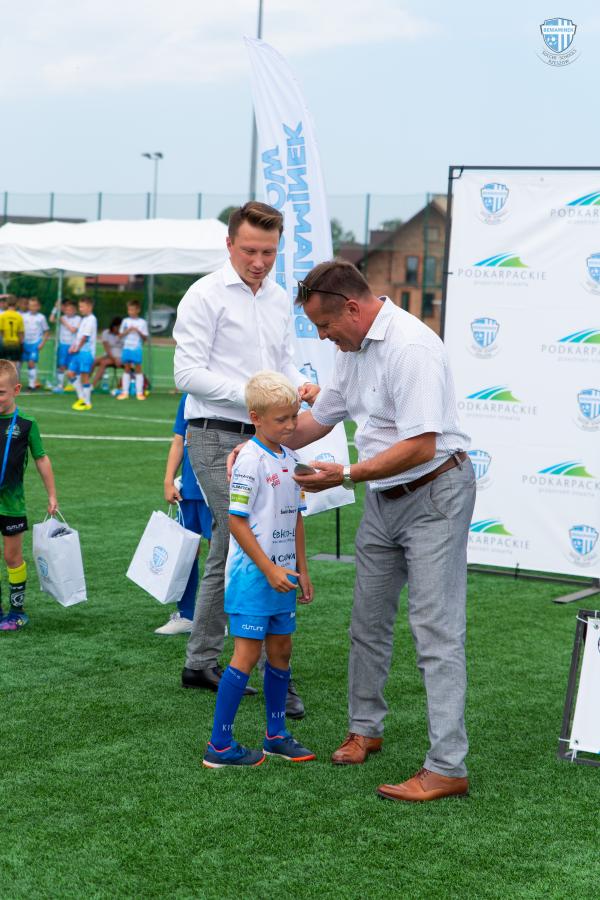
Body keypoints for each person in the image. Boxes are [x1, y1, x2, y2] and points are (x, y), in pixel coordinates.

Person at [286, 260, 475, 802]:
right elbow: (315, 422)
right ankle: (364, 729)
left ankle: (447, 767)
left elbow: (420, 445)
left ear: (352, 308)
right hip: (384, 497)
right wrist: (257, 444)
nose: (324, 337)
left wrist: (346, 473)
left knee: (436, 631)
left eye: (325, 326)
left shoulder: (412, 347)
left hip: (436, 492)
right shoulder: (351, 349)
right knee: (366, 621)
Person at [173, 201, 320, 717]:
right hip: (214, 435)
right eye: (250, 250)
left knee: (227, 545)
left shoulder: (278, 298)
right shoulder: (203, 294)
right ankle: (273, 670)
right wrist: (257, 397)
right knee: (253, 535)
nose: (259, 262)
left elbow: (282, 364)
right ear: (230, 244)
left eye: (269, 253)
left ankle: (200, 661)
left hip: (268, 437)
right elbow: (186, 374)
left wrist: (299, 385)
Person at [203, 371, 315, 769]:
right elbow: (236, 522)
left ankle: (276, 735)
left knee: (282, 651)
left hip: (283, 577)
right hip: (253, 577)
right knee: (246, 655)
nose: (291, 425)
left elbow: (296, 517)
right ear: (256, 418)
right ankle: (219, 745)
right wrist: (268, 569)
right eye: (281, 419)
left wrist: (302, 569)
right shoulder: (249, 459)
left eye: (294, 417)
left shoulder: (291, 459)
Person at [0, 360, 58, 632]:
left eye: (1, 392)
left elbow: (41, 458)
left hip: (12, 504)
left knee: (12, 557)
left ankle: (17, 611)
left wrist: (52, 495)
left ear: (16, 390)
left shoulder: (25, 424)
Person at [159, 392, 213, 635]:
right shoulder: (189, 397)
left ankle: (217, 617)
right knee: (186, 553)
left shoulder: (228, 395)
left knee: (221, 553)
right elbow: (178, 440)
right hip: (188, 490)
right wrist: (169, 480)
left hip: (216, 489)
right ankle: (186, 614)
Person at [66, 297, 98, 412]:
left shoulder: (92, 319)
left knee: (85, 376)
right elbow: (79, 336)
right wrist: (73, 346)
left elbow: (85, 337)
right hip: (78, 351)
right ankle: (81, 398)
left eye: (82, 307)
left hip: (86, 352)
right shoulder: (84, 319)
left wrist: (77, 348)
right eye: (80, 307)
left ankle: (87, 402)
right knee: (70, 373)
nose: (80, 309)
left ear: (90, 307)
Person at [117, 301, 148, 400]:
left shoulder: (142, 322)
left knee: (138, 369)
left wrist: (138, 331)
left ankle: (139, 393)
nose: (130, 312)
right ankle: (125, 392)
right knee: (127, 368)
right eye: (129, 310)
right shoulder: (125, 321)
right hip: (126, 347)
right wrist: (128, 331)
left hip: (136, 348)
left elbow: (145, 338)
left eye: (133, 310)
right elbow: (120, 335)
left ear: (138, 310)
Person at [50, 299, 80, 393]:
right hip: (63, 344)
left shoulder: (78, 319)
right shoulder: (62, 317)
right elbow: (51, 319)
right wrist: (55, 308)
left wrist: (64, 322)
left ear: (75, 310)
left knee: (71, 365)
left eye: (71, 310)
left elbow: (73, 330)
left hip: (72, 346)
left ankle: (71, 385)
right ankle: (60, 385)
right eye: (67, 310)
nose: (68, 311)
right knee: (62, 365)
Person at [21, 297, 49, 391]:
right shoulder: (23, 316)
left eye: (35, 305)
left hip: (35, 343)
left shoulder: (41, 317)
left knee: (31, 363)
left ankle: (31, 385)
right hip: (25, 343)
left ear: (38, 307)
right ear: (28, 306)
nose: (33, 307)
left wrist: (42, 343)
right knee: (20, 363)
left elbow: (46, 331)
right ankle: (15, 383)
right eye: (31, 305)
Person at [92, 317, 123, 390]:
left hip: (120, 357)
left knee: (104, 363)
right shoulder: (106, 333)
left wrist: (118, 359)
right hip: (108, 355)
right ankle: (85, 383)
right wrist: (114, 358)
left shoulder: (124, 334)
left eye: (119, 327)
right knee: (93, 361)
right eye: (117, 327)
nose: (118, 329)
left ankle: (92, 385)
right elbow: (107, 348)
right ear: (113, 326)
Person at [0, 296, 25, 372]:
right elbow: (21, 332)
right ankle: (12, 378)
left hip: (5, 343)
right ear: (16, 304)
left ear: (6, 304)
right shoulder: (19, 316)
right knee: (13, 364)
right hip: (15, 343)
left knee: (4, 364)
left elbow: (1, 331)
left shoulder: (3, 316)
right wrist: (21, 343)